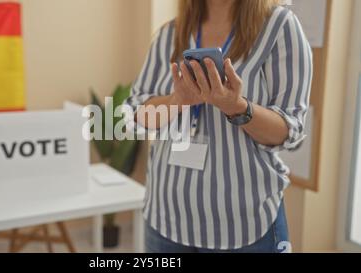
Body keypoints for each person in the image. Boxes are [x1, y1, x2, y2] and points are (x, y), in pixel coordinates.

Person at [125, 0, 312, 253]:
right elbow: (134, 116)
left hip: (246, 228)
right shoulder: (170, 34)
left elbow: (290, 131)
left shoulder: (279, 27)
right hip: (165, 222)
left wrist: (237, 106)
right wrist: (176, 101)